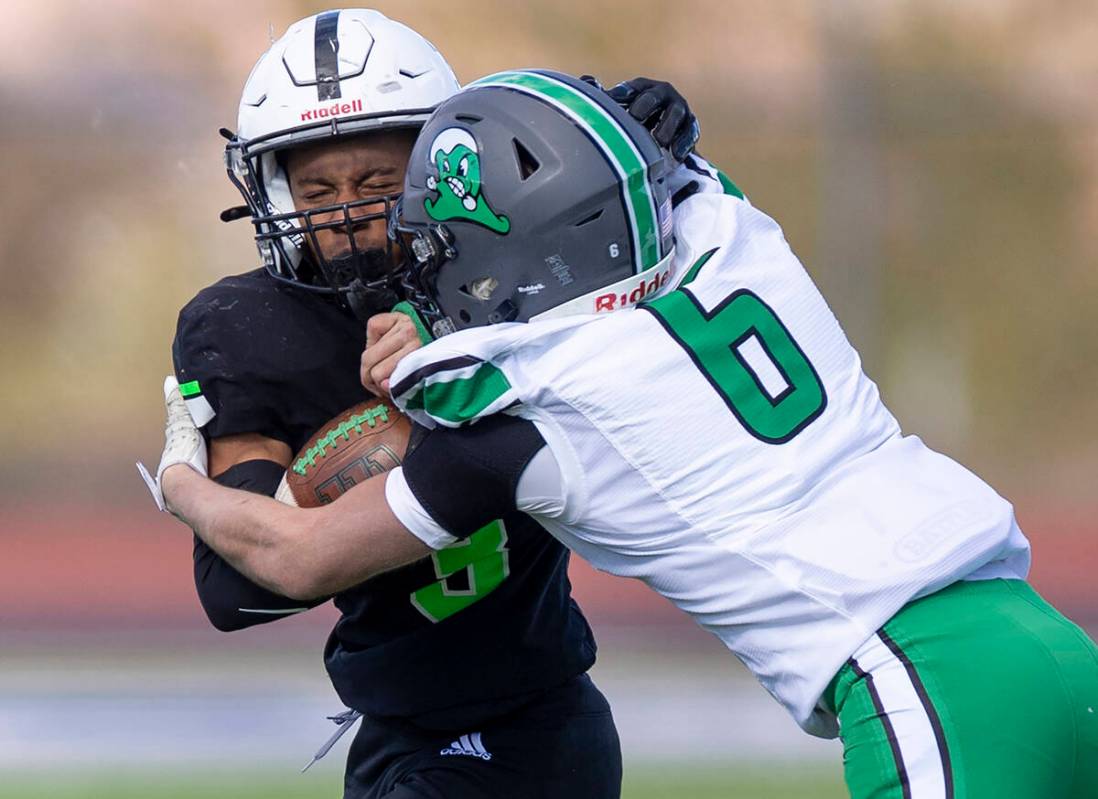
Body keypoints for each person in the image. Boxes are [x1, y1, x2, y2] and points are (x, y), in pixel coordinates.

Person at [146, 69, 1098, 798]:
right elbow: (647, 185)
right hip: (1044, 637)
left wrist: (183, 483)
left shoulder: (529, 416)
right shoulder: (727, 237)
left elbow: (305, 558)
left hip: (919, 676)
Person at [153, 10, 705, 799]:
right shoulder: (247, 326)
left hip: (534, 722)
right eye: (316, 188)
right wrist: (305, 482)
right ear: (272, 190)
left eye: (378, 184)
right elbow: (235, 590)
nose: (346, 213)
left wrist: (649, 147)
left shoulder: (509, 285)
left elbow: (631, 244)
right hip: (390, 734)